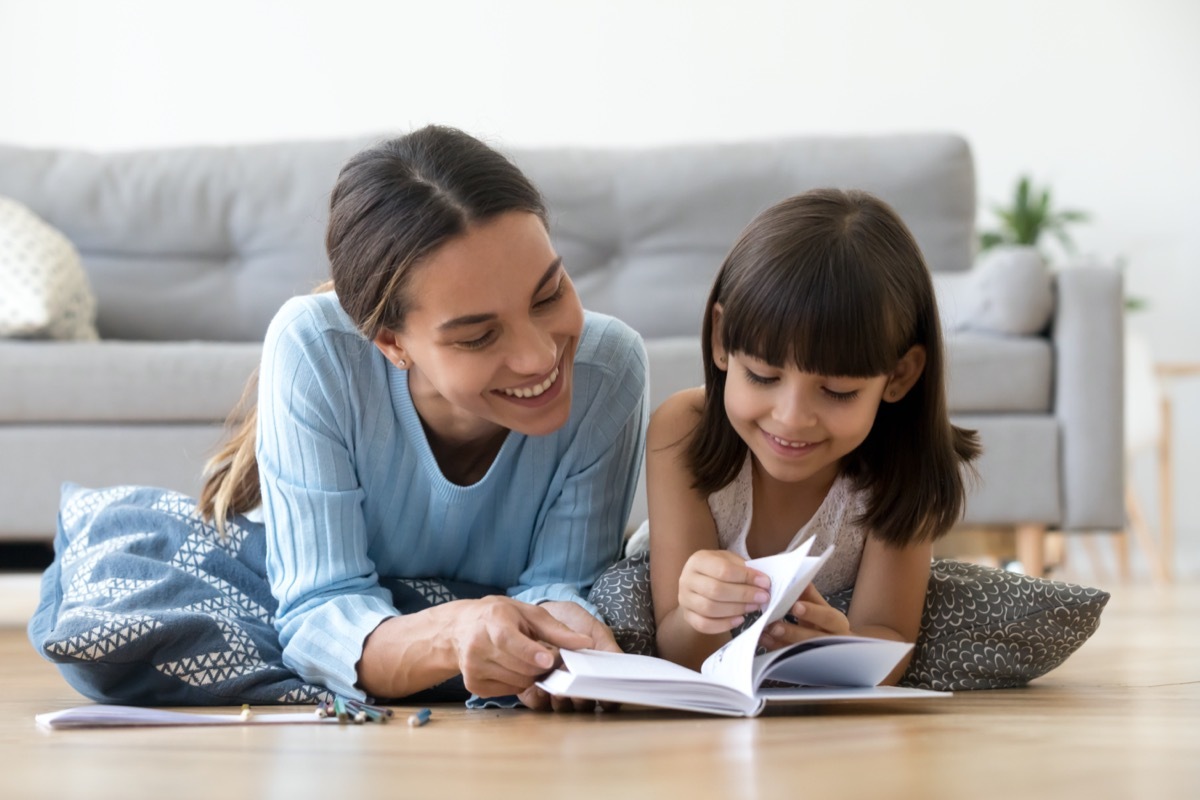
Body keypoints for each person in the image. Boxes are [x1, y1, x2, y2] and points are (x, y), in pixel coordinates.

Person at [198, 125, 648, 709]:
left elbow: (561, 583)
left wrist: (557, 630)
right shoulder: (314, 349)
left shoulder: (607, 369)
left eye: (549, 294)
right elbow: (320, 611)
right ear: (392, 343)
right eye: (480, 335)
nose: (541, 356)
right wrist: (456, 630)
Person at [646, 189, 979, 680]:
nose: (791, 418)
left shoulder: (903, 466)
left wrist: (838, 651)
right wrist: (699, 612)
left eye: (838, 391)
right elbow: (677, 650)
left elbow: (888, 641)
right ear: (722, 340)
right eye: (762, 376)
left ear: (900, 376)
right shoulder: (684, 430)